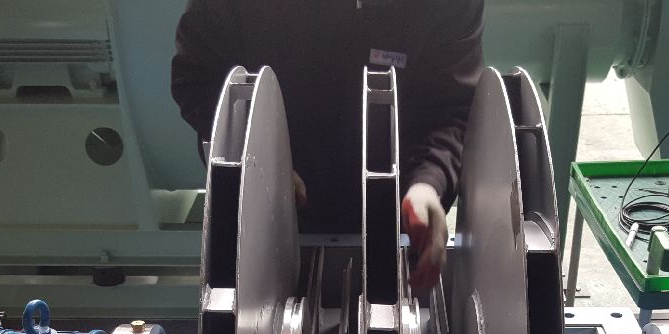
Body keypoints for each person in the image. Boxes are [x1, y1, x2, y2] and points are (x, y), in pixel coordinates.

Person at [171, 0, 484, 290]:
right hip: (269, 210)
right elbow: (198, 77)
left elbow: (452, 109)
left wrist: (429, 182)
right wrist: (257, 159)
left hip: (395, 212)